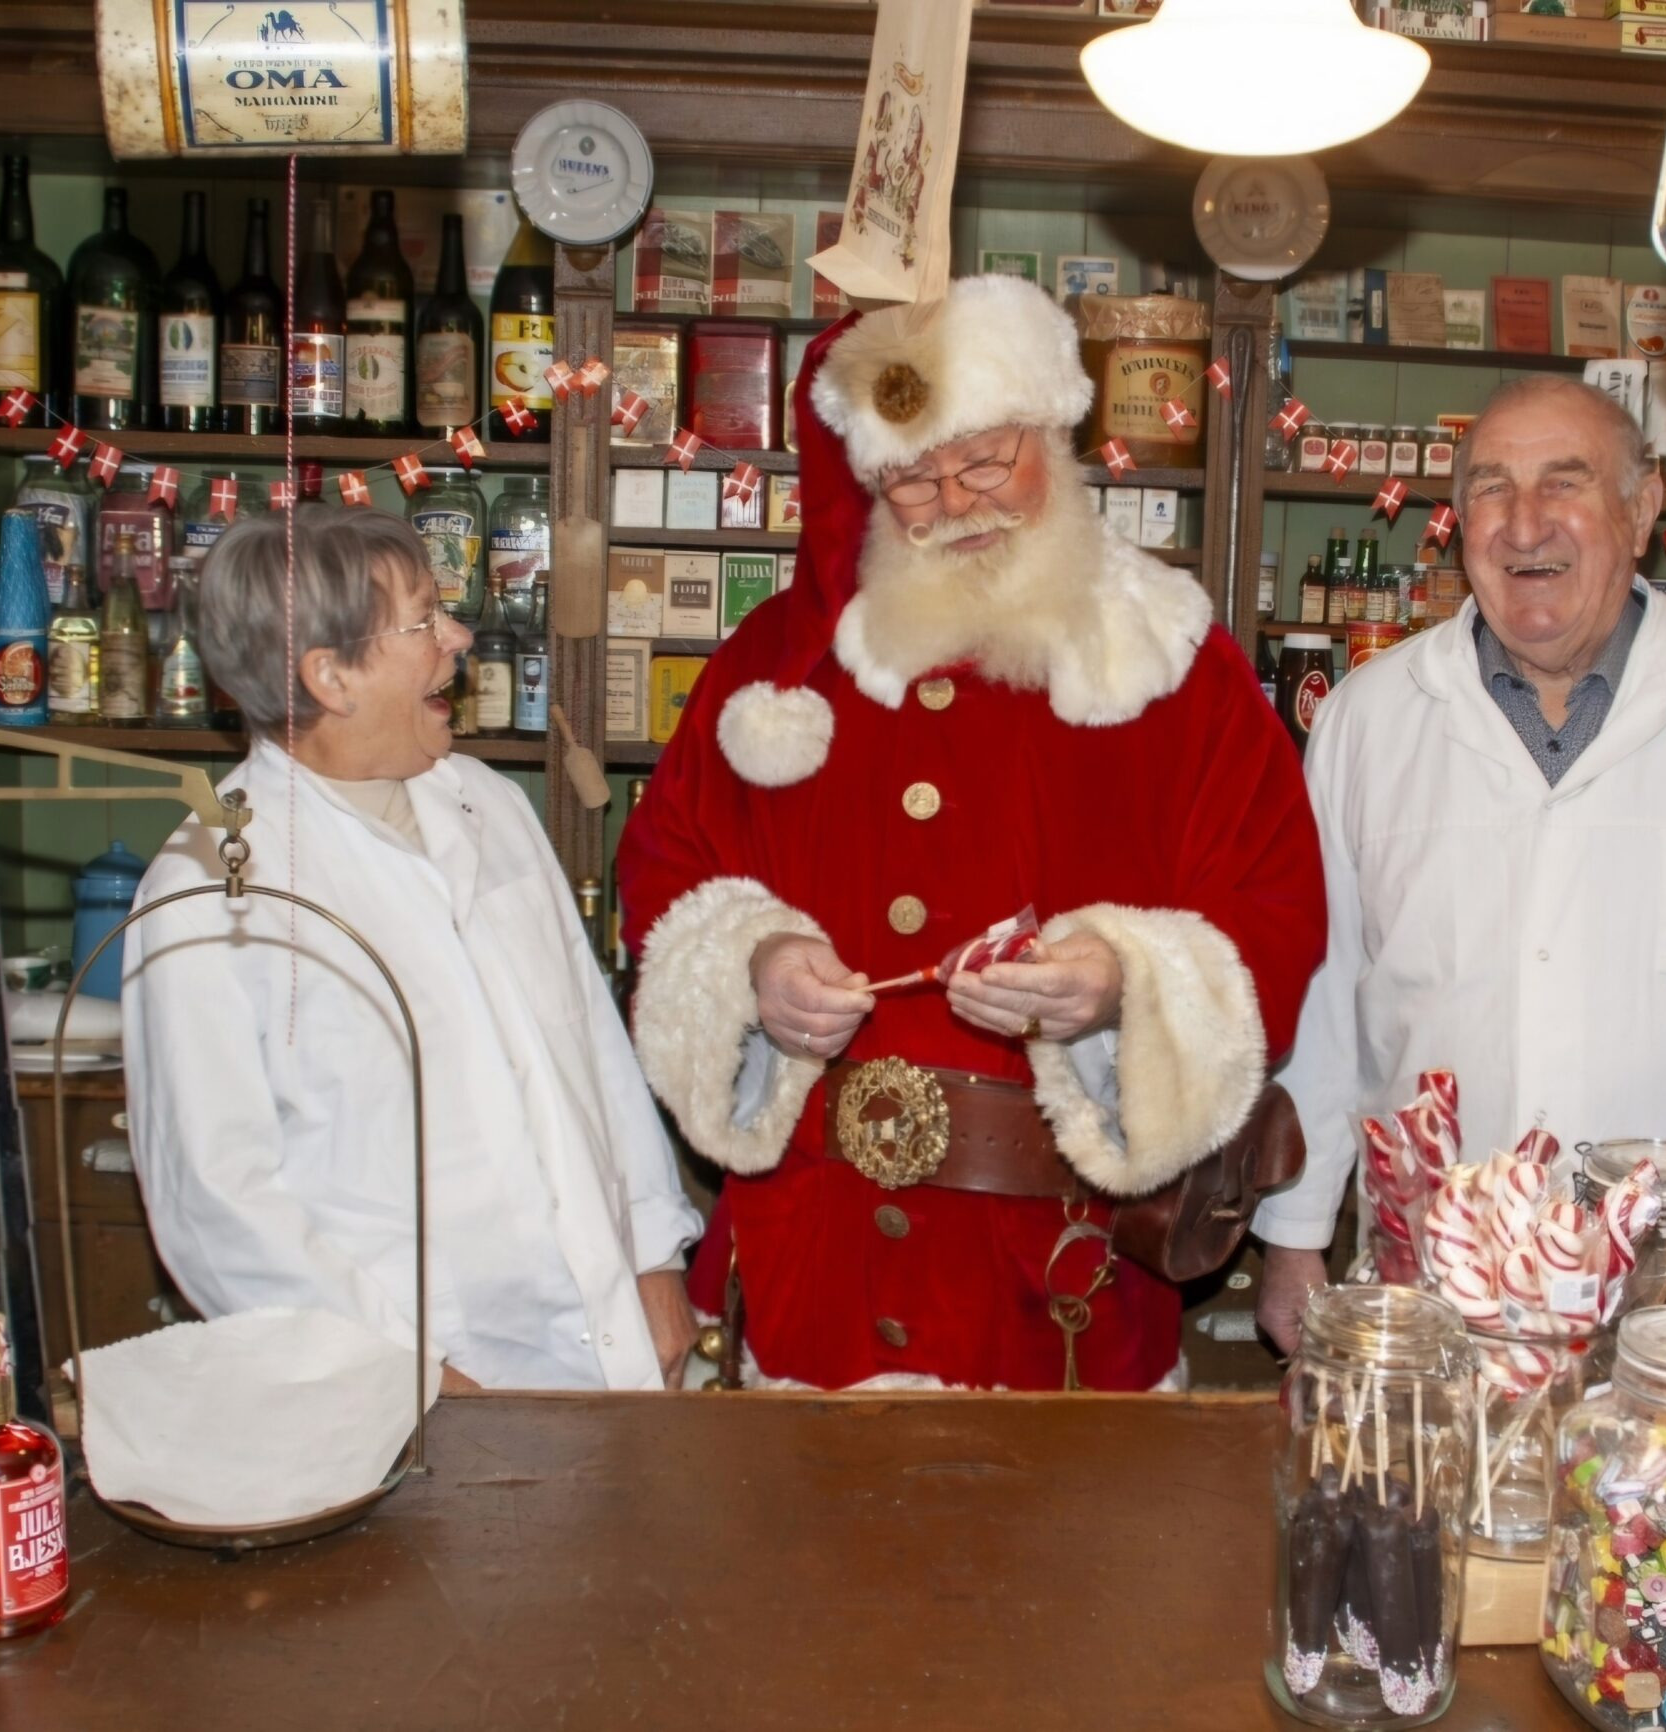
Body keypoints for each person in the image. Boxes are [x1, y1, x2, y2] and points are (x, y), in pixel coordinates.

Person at [618, 275, 1326, 1391]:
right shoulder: (776, 662)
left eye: (988, 459)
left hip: (1062, 1291)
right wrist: (751, 964)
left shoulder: (1180, 664)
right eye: (909, 477)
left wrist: (1119, 983)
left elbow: (1274, 912)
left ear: (1053, 431)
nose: (953, 500)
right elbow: (666, 869)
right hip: (816, 1275)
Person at [1252, 375, 1666, 1352]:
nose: (1523, 526)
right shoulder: (1367, 719)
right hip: (1440, 1283)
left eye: (1564, 484)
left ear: (1640, 510)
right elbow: (1324, 1007)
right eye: (1489, 488)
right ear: (1455, 517)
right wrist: (1293, 1237)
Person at [122, 509, 700, 1390]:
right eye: (424, 620)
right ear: (331, 677)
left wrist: (657, 1259)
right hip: (413, 1391)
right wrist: (412, 1380)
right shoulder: (212, 880)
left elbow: (591, 1042)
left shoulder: (486, 804)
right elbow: (217, 1203)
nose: (459, 639)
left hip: (605, 1352)